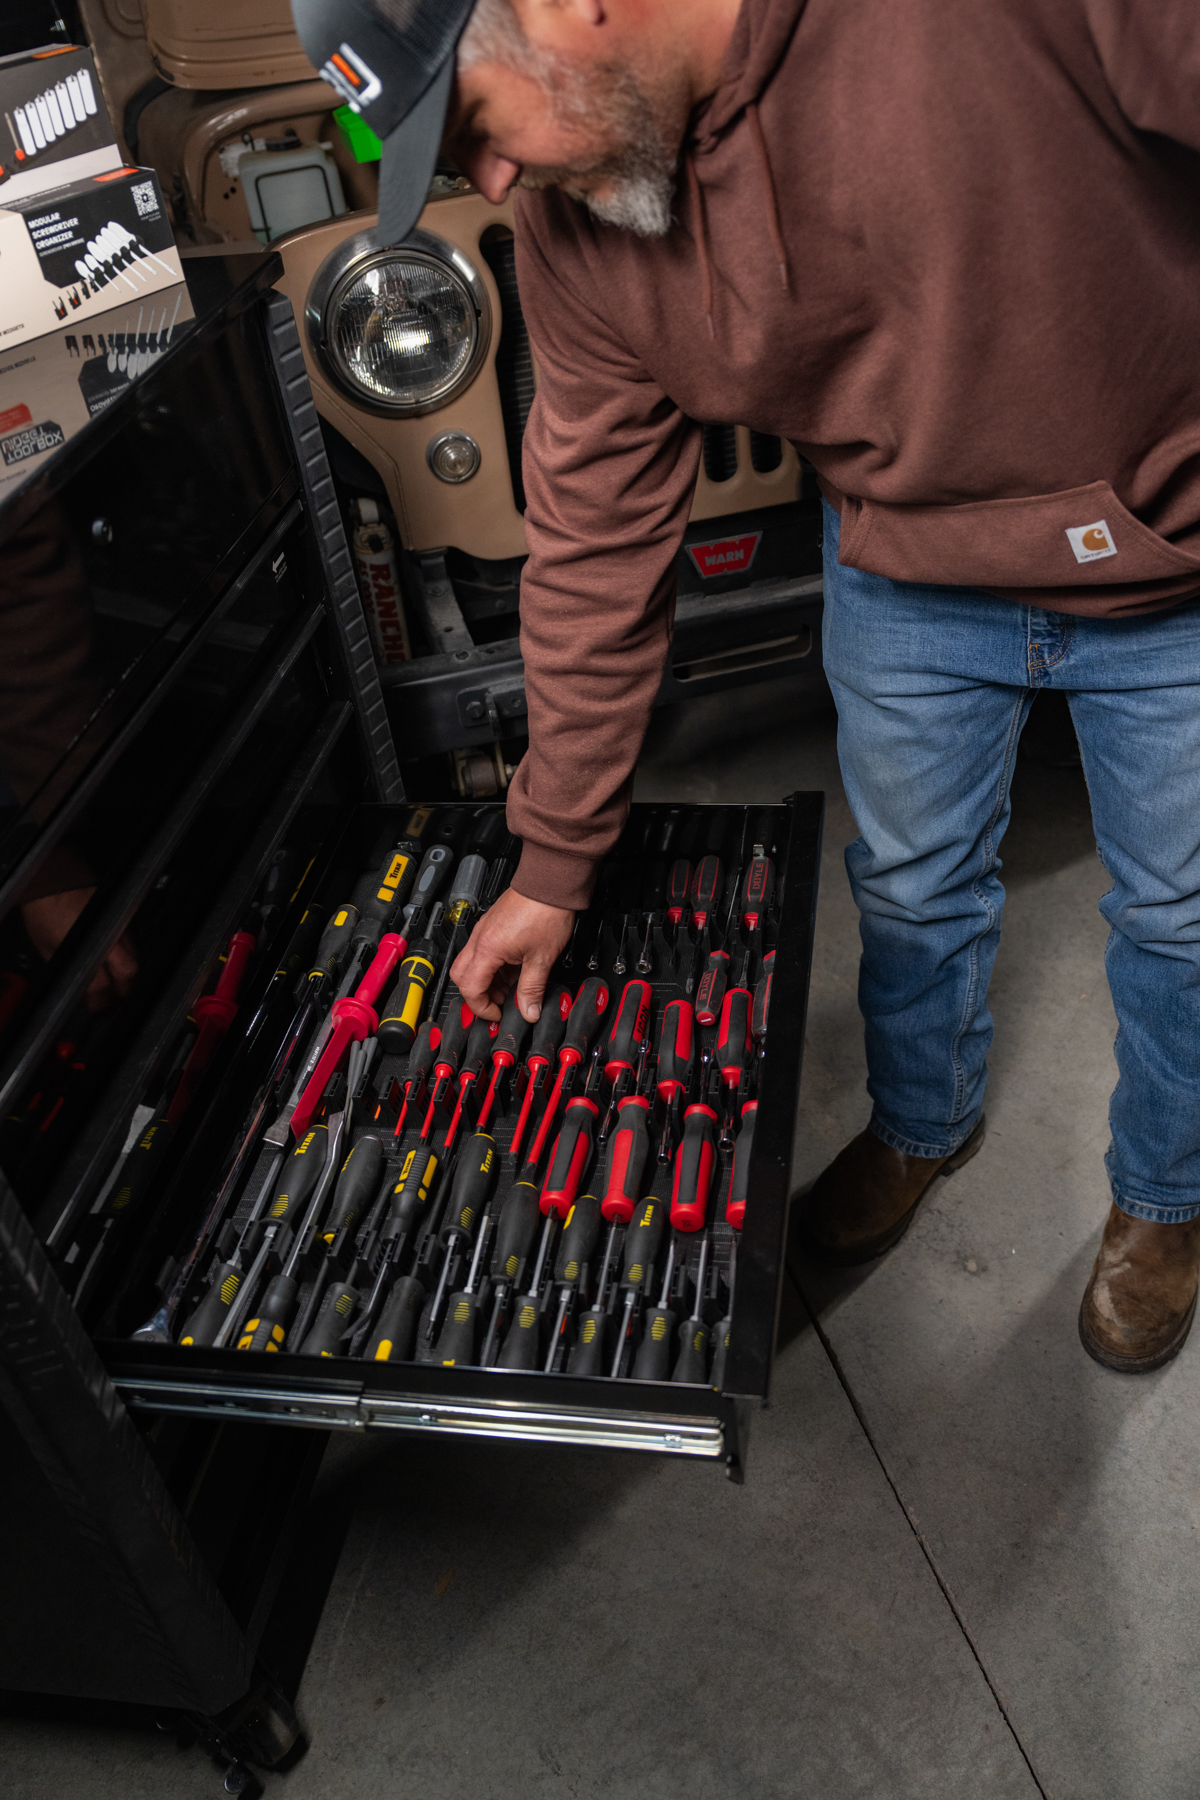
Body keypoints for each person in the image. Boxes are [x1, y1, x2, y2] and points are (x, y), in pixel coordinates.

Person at [293, 0, 1200, 1373]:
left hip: (1171, 571)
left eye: (475, 125)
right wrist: (552, 857)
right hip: (906, 568)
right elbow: (594, 541)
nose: (489, 182)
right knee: (909, 883)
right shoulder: (577, 236)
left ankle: (1167, 1199)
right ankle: (919, 1127)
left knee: (1185, 920)